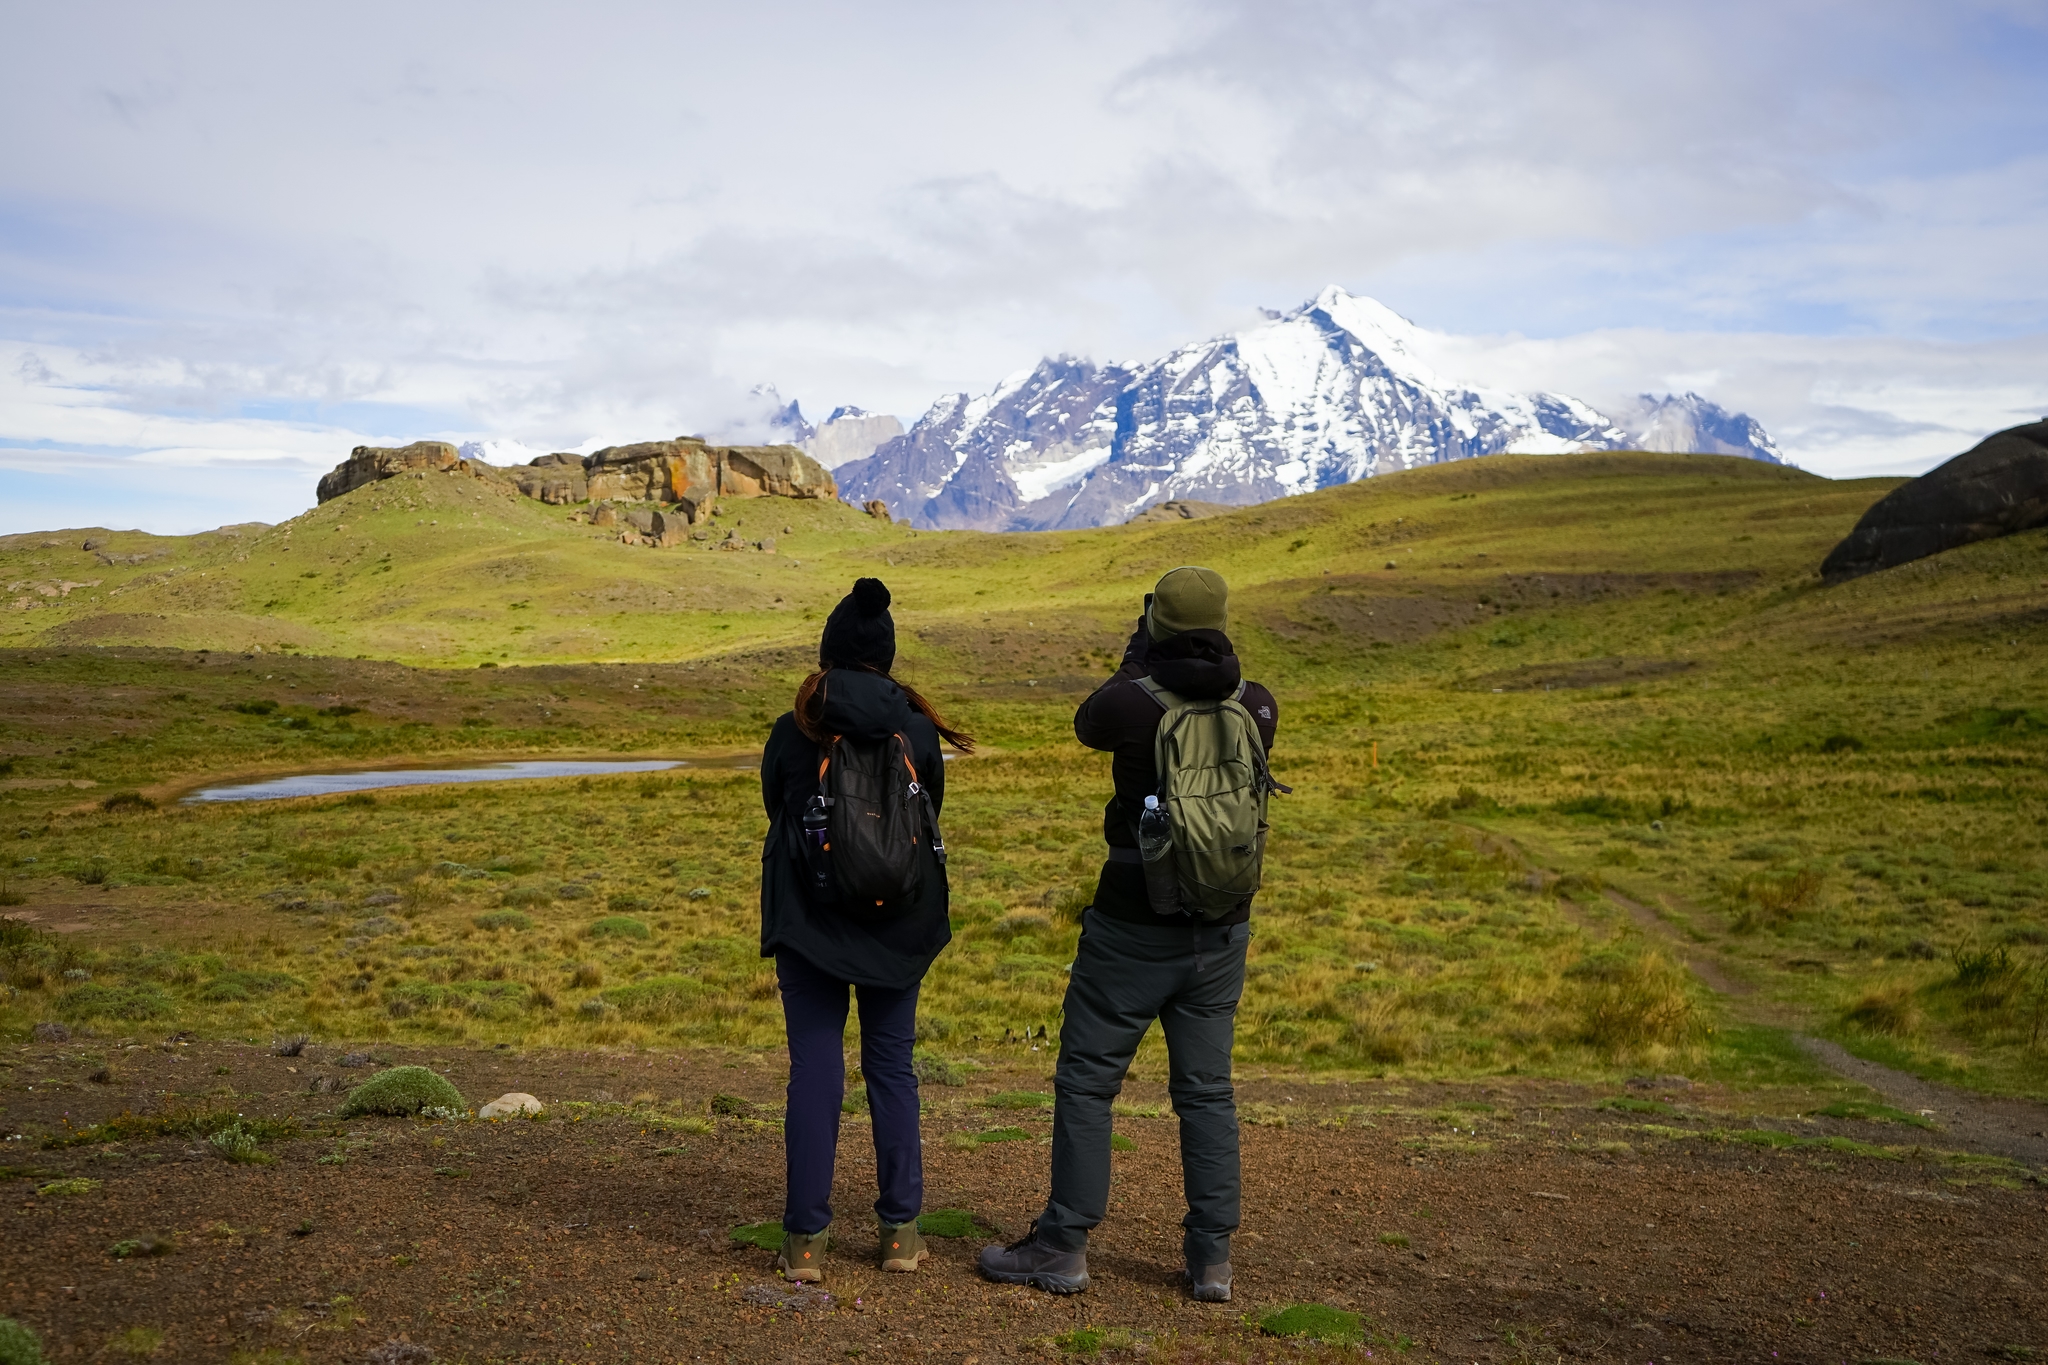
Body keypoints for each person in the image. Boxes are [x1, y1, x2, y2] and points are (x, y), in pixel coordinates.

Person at [978, 566, 1278, 1301]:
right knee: (1207, 1092)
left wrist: (1135, 652)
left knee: (1088, 1080)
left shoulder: (1130, 705)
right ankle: (1212, 1259)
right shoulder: (1260, 705)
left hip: (1130, 928)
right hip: (1223, 929)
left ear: (1158, 624)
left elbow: (1089, 721)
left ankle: (1064, 1244)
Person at [759, 576, 973, 1283]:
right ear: (886, 655)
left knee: (816, 1071)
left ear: (828, 653)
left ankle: (805, 1245)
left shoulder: (796, 729)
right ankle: (900, 1236)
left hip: (810, 924)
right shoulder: (915, 728)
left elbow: (776, 810)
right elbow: (928, 808)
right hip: (900, 925)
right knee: (892, 1066)